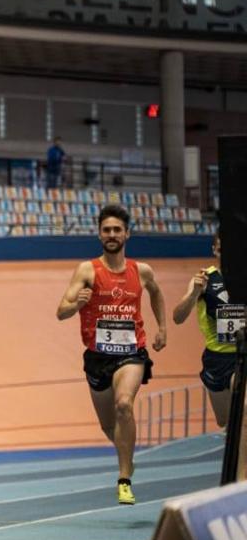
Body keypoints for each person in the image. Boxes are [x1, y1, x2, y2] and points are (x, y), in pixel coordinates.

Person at [56, 204, 167, 505]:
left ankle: (124, 478)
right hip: (97, 357)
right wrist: (78, 303)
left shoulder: (141, 271)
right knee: (109, 425)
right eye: (107, 229)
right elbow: (61, 312)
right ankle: (126, 453)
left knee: (123, 405)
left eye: (117, 229)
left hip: (132, 352)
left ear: (127, 233)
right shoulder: (87, 270)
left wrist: (162, 328)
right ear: (99, 234)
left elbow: (156, 293)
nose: (112, 234)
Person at [173, 230, 243, 429]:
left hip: (241, 355)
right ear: (215, 250)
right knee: (225, 422)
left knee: (243, 411)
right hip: (216, 359)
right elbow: (178, 318)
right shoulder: (204, 279)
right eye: (222, 248)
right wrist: (195, 292)